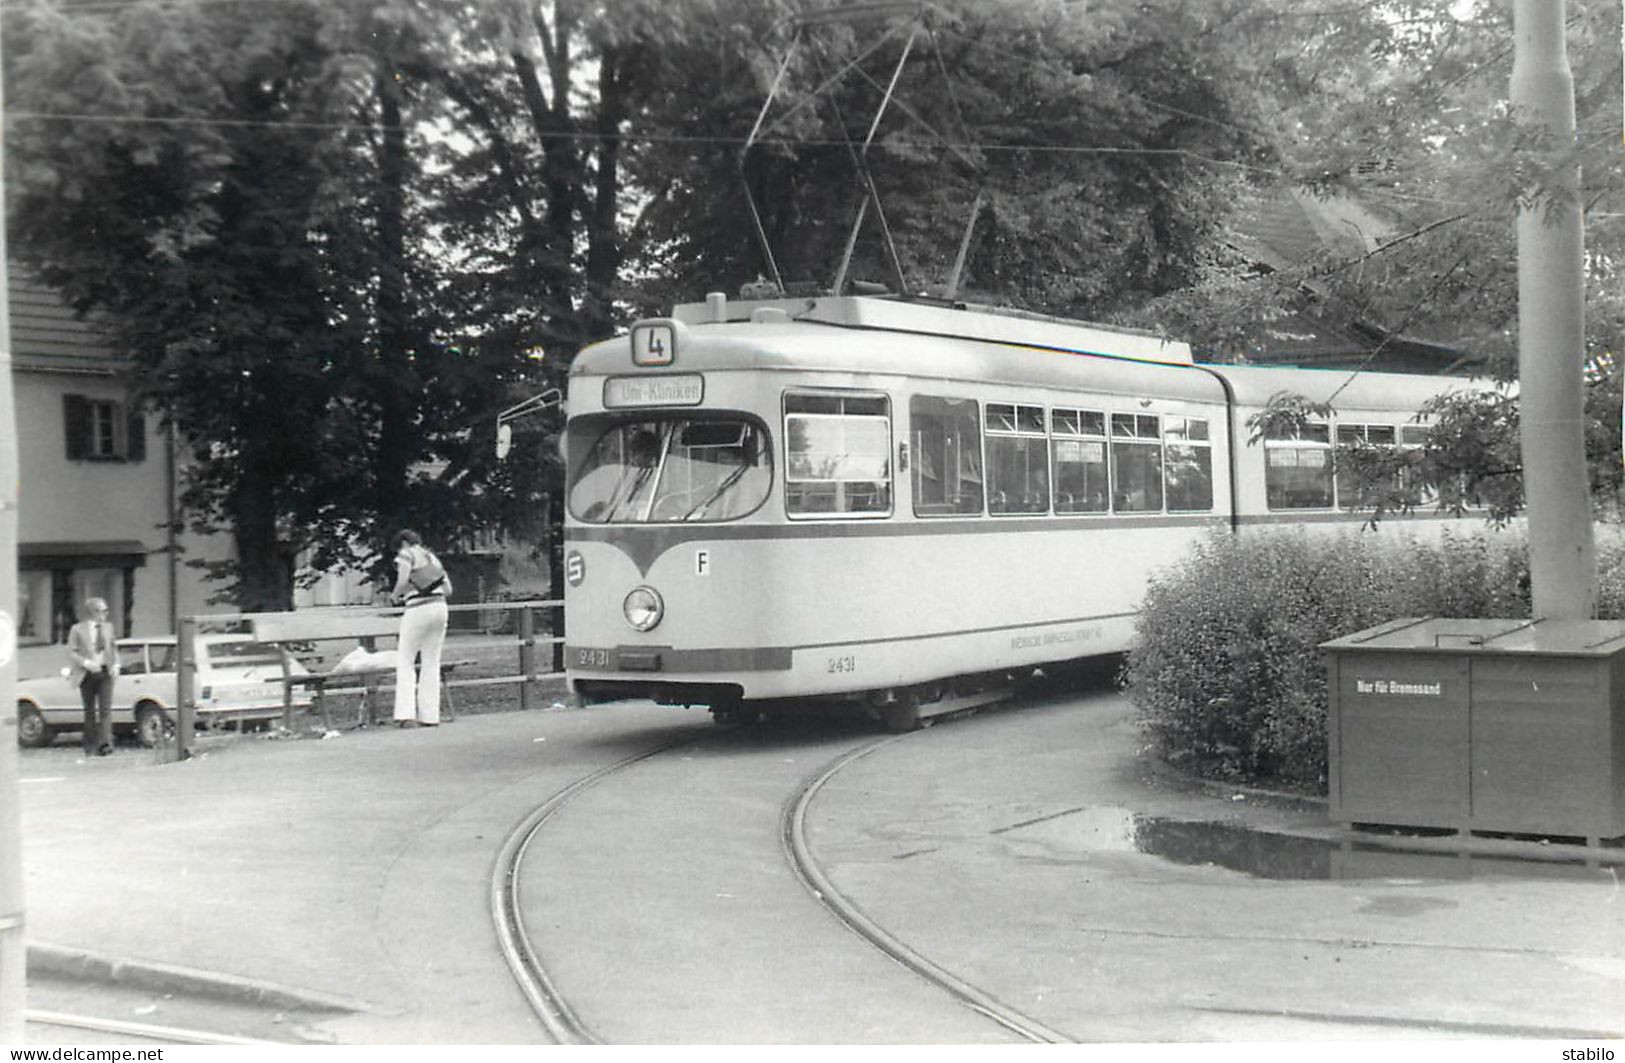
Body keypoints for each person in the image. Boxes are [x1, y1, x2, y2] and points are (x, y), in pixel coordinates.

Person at [390, 529, 452, 728]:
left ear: (404, 543)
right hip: (440, 607)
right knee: (431, 662)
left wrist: (395, 595)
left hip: (417, 608)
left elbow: (402, 579)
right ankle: (430, 715)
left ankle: (406, 715)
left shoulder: (406, 554)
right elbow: (449, 589)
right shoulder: (432, 557)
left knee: (406, 660)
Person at [66, 597, 119, 756]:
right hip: (87, 673)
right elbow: (71, 652)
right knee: (89, 710)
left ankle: (105, 745)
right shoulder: (77, 629)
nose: (105, 614)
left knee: (105, 709)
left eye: (106, 611)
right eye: (102, 611)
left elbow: (113, 647)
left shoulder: (108, 628)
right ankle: (89, 745)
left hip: (104, 672)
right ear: (92, 612)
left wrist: (116, 664)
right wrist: (86, 663)